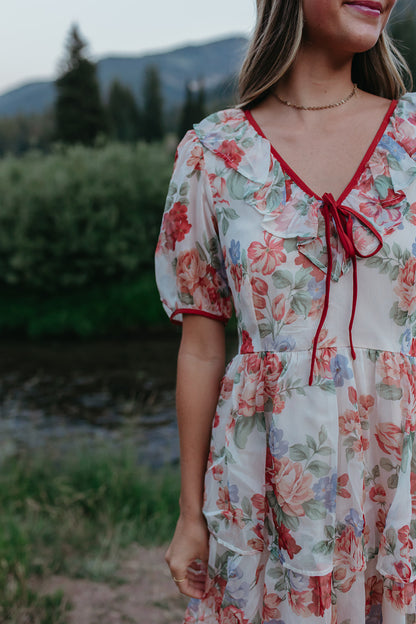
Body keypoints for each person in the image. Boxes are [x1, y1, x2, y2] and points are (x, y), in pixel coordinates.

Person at [155, 1, 416, 622]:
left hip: (399, 465)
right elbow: (200, 346)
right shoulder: (213, 153)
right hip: (261, 476)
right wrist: (191, 515)